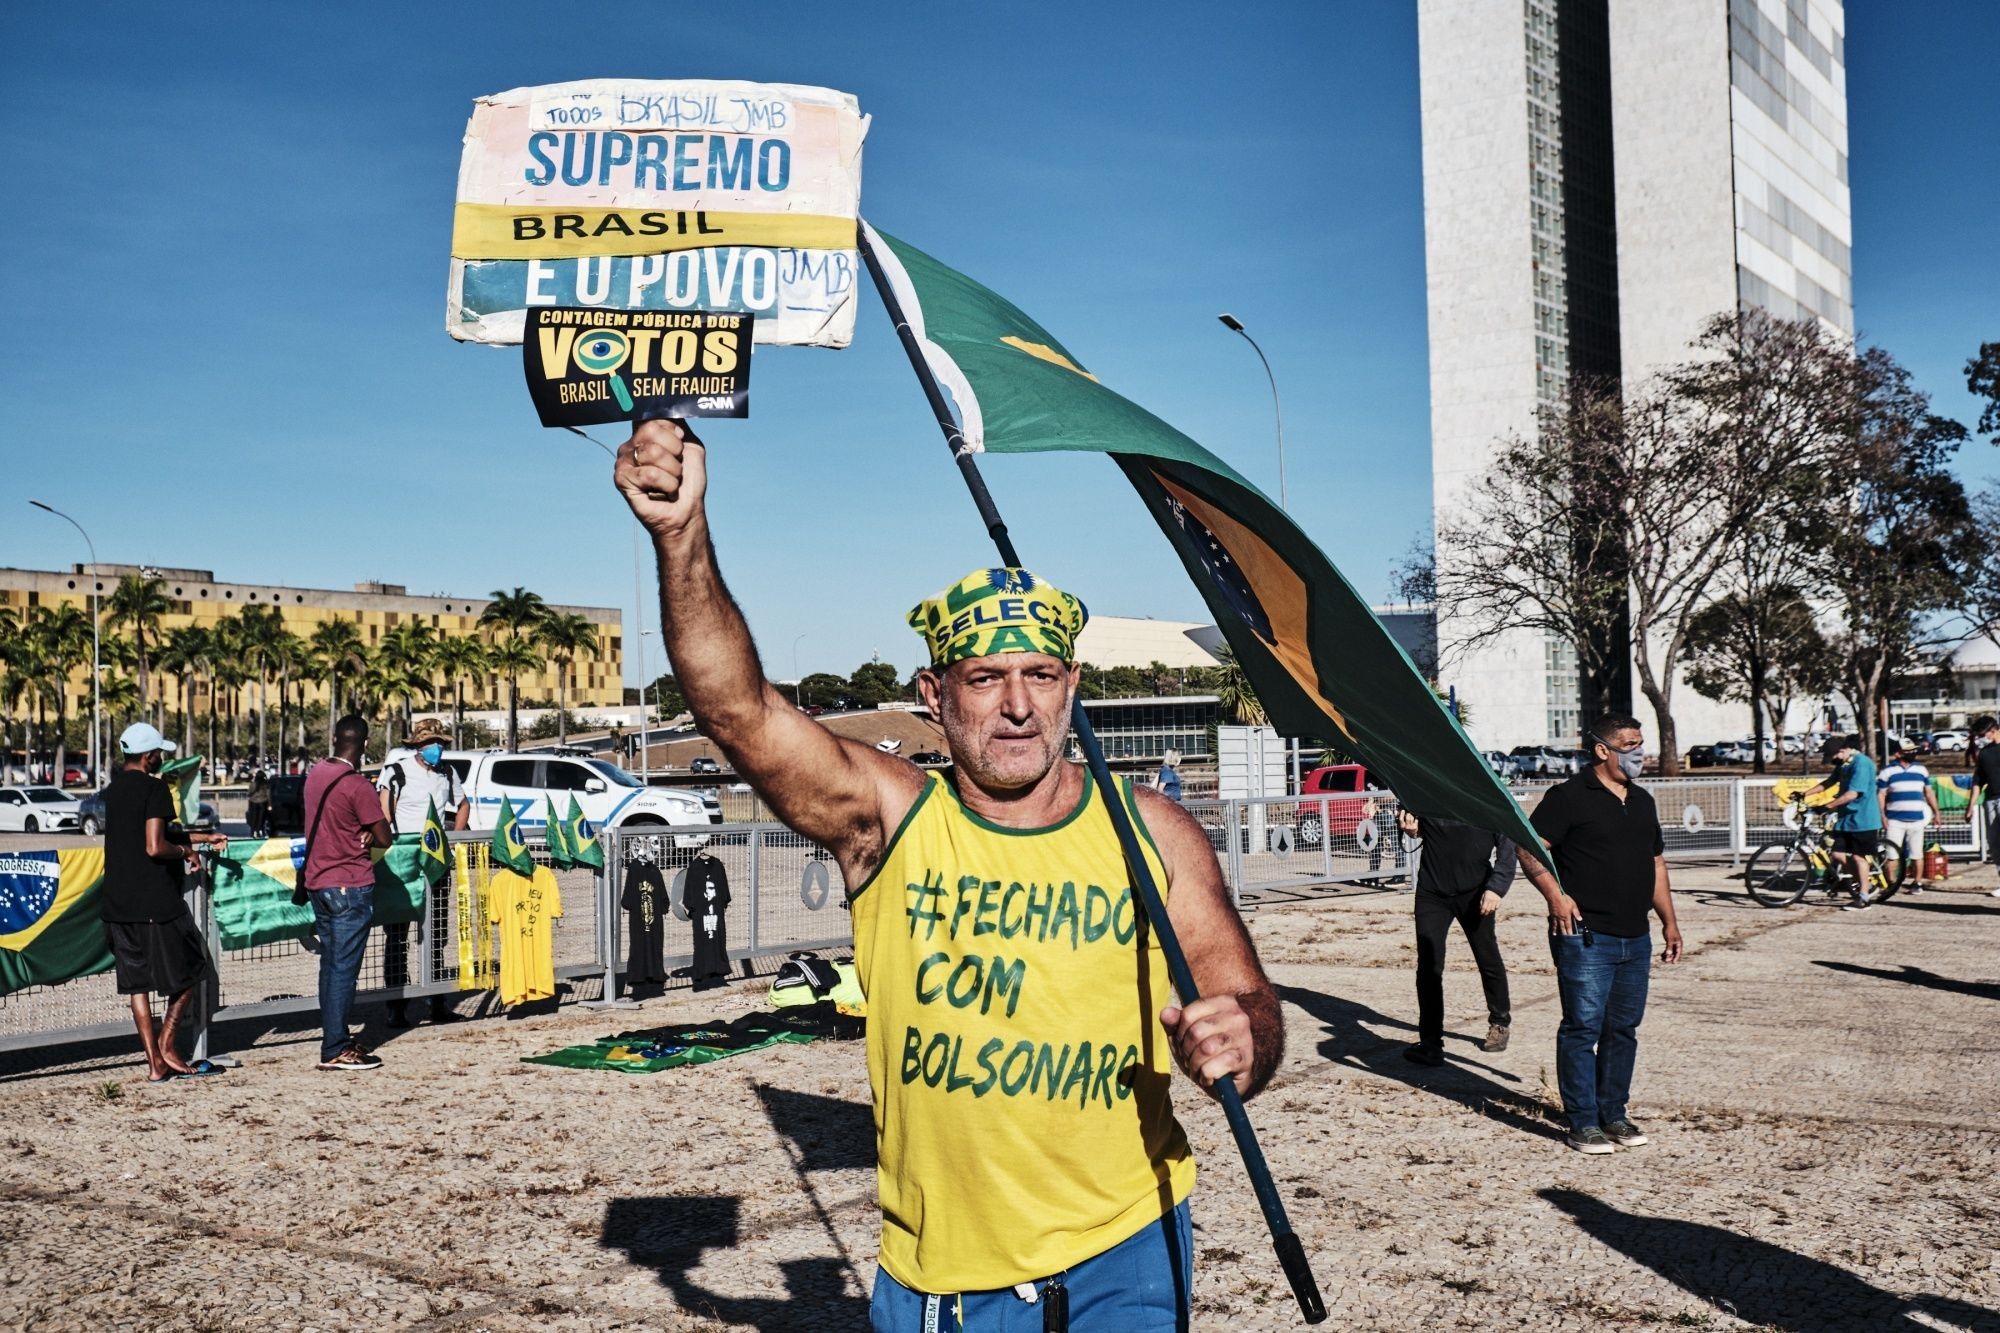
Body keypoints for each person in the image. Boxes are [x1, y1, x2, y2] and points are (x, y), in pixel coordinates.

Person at [615, 419, 1280, 1331]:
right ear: (935, 696)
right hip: (946, 1275)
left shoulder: (1152, 828)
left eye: (1041, 675)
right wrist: (680, 535)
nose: (1017, 705)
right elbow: (738, 711)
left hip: (1131, 1247)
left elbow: (1246, 998)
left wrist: (1241, 1044)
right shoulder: (889, 817)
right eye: (985, 678)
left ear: (1072, 683)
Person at [1519, 715, 1683, 1155]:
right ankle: (1582, 1123)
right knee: (1582, 1028)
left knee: (1622, 1029)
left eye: (1641, 744)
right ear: (1602, 750)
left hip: (1636, 937)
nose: (1639, 753)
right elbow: (1530, 847)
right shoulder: (1568, 797)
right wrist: (1555, 897)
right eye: (1629, 744)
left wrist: (1669, 921)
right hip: (1585, 936)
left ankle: (1613, 1114)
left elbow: (1656, 864)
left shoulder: (1643, 802)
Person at [99, 723, 231, 1082]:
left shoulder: (113, 791)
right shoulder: (155, 787)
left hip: (116, 902)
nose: (162, 758)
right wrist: (187, 851)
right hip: (154, 901)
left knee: (137, 984)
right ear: (149, 756)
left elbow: (144, 831)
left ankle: (154, 1063)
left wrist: (201, 835)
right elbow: (155, 845)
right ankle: (168, 1042)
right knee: (193, 968)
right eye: (160, 753)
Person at [303, 715, 394, 1071]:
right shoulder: (358, 785)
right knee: (344, 969)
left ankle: (335, 1037)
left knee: (331, 966)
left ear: (333, 738)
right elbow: (385, 836)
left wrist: (363, 829)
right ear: (366, 745)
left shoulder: (315, 775)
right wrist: (371, 832)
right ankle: (335, 1046)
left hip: (318, 881)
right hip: (349, 883)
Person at [1396, 809, 1517, 1065]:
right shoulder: (1428, 795)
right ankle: (1430, 1042)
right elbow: (1417, 826)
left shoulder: (1484, 800)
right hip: (1432, 894)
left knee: (1487, 956)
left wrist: (1496, 888)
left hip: (1475, 894)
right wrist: (1411, 828)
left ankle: (1499, 1022)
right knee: (1429, 967)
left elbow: (1508, 850)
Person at [375, 717, 470, 1027]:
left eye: (440, 744)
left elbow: (463, 804)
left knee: (436, 932)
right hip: (403, 863)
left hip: (436, 862)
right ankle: (396, 1004)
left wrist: (454, 838)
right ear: (416, 746)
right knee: (398, 935)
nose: (437, 750)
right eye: (431, 744)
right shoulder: (397, 771)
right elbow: (384, 812)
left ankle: (437, 1000)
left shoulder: (447, 773)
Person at [1800, 736, 1883, 911]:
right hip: (1846, 819)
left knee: (1858, 857)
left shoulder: (1862, 764)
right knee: (1836, 854)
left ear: (1843, 750)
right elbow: (1829, 782)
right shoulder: (1844, 765)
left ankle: (1864, 897)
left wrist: (1826, 807)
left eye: (1833, 757)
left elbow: (1852, 794)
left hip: (1863, 819)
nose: (1832, 761)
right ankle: (1862, 882)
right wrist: (1804, 794)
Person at [1877, 743, 1940, 893]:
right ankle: (1891, 883)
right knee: (1892, 855)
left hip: (1916, 819)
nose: (1911, 753)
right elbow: (1881, 794)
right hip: (1894, 819)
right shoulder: (1887, 771)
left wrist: (1936, 812)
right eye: (1907, 751)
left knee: (1917, 853)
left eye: (1913, 750)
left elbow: (1929, 793)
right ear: (1898, 753)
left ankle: (1917, 883)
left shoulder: (1921, 770)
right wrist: (1882, 815)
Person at [1966, 716, 2000, 898]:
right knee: (1995, 844)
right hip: (1990, 801)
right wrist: (1971, 806)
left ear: (1993, 730)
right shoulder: (1985, 753)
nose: (1980, 738)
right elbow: (1978, 781)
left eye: (1982, 734)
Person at [245, 765, 271, 838]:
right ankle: (261, 831)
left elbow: (249, 793)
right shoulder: (265, 784)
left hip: (253, 802)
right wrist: (270, 804)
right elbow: (268, 794)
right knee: (262, 818)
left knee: (254, 817)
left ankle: (252, 831)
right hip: (263, 801)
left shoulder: (253, 784)